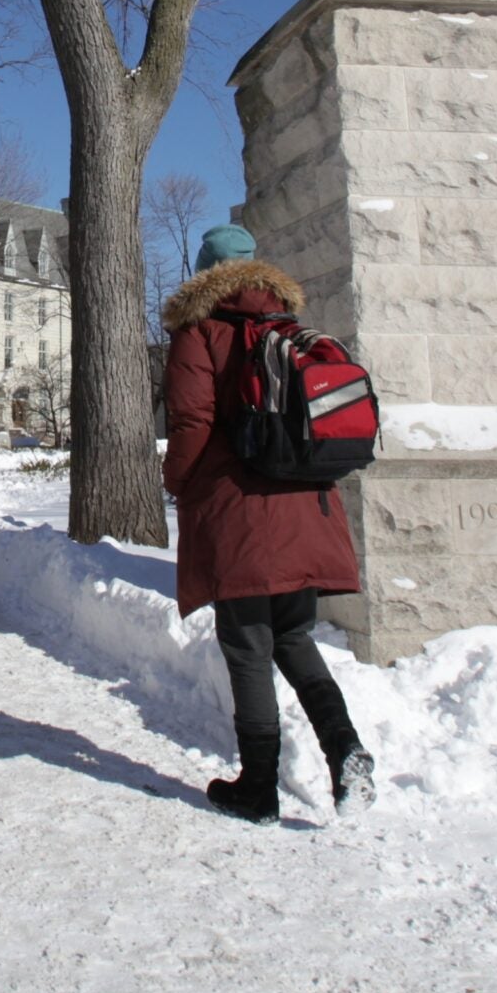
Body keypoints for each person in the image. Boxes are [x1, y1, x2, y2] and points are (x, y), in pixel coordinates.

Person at [161, 223, 374, 823]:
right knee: (292, 636)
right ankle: (347, 751)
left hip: (241, 515)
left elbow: (191, 423)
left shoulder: (198, 330)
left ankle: (258, 788)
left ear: (204, 274)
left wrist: (176, 481)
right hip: (307, 506)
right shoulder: (289, 327)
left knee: (249, 646)